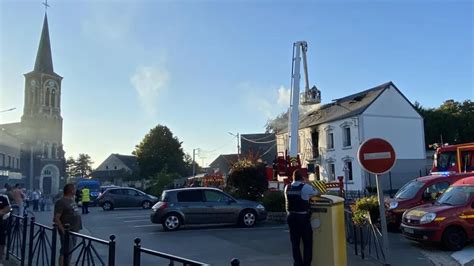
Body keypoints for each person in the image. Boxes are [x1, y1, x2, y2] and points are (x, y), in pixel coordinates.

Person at [284, 169, 320, 266]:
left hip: (291, 217)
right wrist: (308, 182)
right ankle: (306, 264)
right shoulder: (305, 187)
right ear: (303, 178)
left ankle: (297, 263)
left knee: (295, 243)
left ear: (293, 177)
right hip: (302, 217)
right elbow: (317, 192)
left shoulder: (287, 187)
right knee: (307, 243)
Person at [53, 183, 82, 266]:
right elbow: (56, 218)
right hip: (67, 231)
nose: (75, 190)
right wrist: (63, 231)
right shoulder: (61, 202)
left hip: (74, 229)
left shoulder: (71, 200)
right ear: (71, 190)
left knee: (70, 250)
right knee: (65, 250)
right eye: (74, 189)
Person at [0, 192, 11, 260]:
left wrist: (2, 212)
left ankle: (0, 259)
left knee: (1, 241)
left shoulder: (3, 198)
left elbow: (8, 209)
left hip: (1, 223)